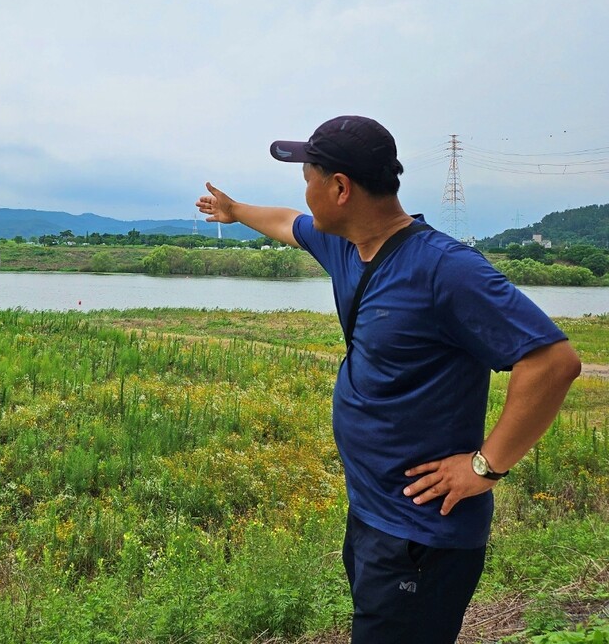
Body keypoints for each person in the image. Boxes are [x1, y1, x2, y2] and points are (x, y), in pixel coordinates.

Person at [195, 115, 581, 643]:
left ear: (339, 188)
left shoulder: (444, 269)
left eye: (307, 178)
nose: (304, 194)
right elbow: (287, 222)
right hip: (375, 517)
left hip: (421, 537)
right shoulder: (346, 245)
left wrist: (485, 467)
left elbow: (554, 362)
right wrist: (235, 212)